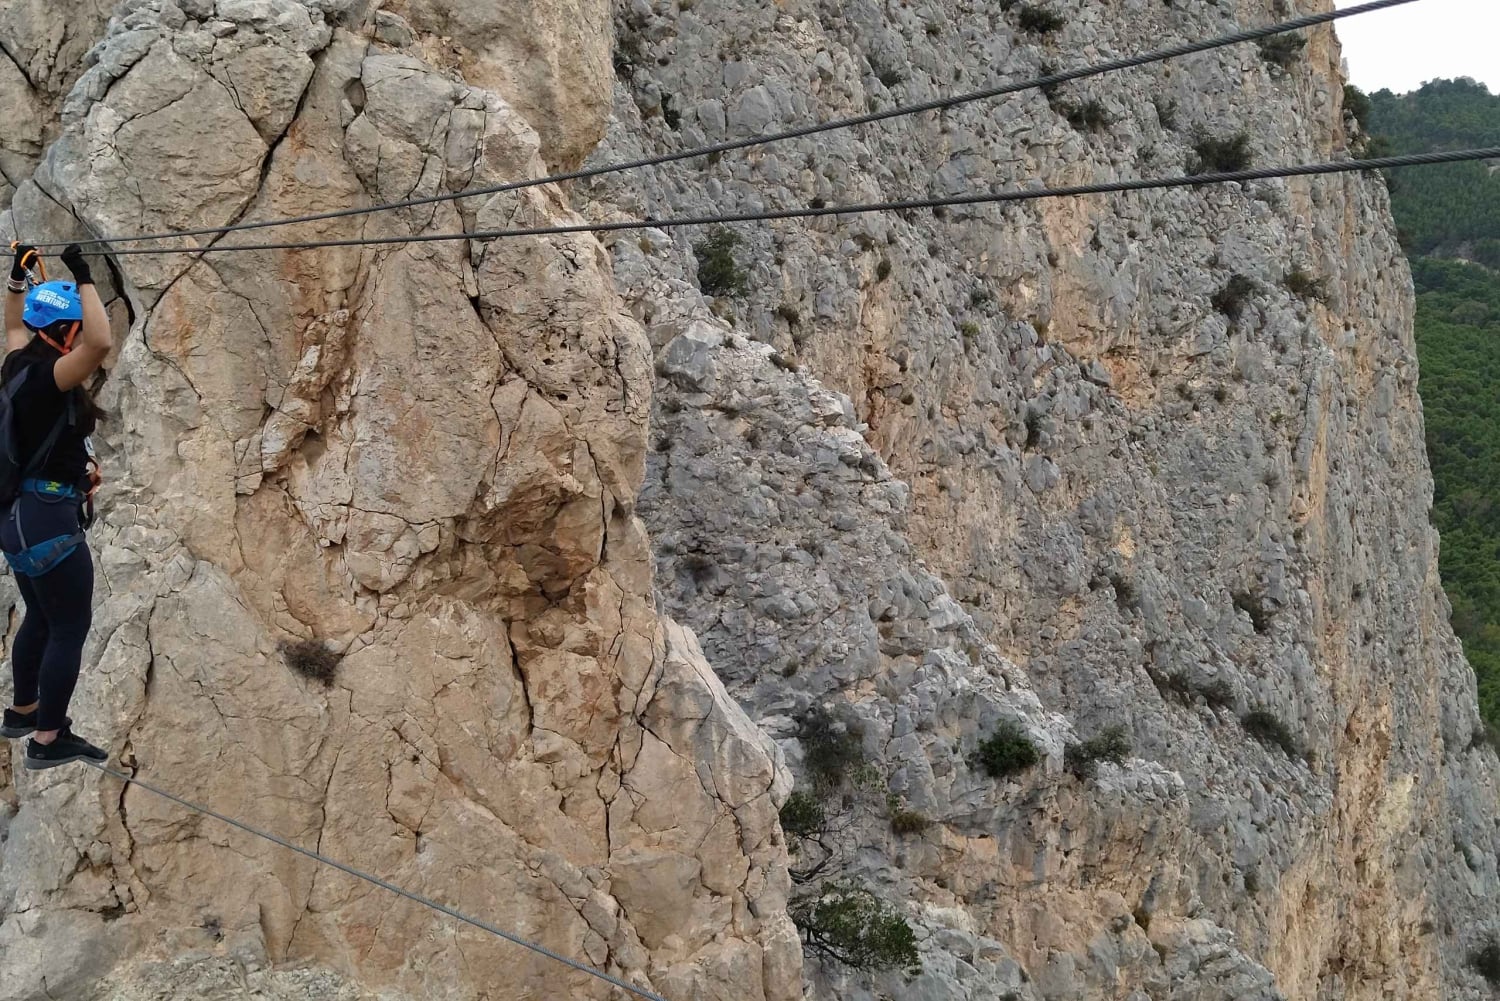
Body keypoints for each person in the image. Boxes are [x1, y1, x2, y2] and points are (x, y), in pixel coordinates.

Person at [0, 242, 112, 769]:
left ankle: (23, 711)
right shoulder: (51, 377)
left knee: (41, 619)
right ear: (66, 332)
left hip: (16, 520)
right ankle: (48, 739)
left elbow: (13, 327)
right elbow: (101, 343)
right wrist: (84, 274)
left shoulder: (18, 364)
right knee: (69, 626)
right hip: (47, 518)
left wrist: (17, 283)